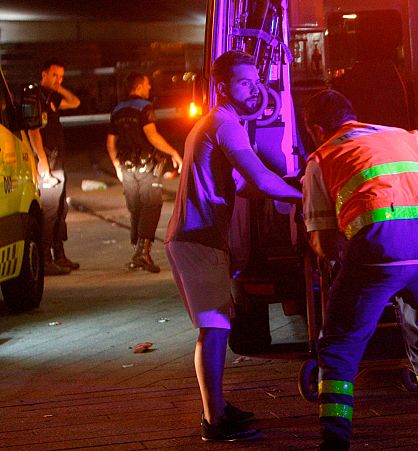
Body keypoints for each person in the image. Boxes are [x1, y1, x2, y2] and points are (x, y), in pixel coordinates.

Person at [302, 89, 418, 451]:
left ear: (317, 128)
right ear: (352, 113)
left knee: (339, 346)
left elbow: (323, 243)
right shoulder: (406, 139)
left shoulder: (322, 156)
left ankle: (334, 442)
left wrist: (342, 269)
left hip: (378, 248)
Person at [164, 50, 302, 442]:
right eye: (245, 82)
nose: (256, 87)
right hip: (197, 238)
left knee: (216, 326)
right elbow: (258, 180)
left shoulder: (217, 122)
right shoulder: (225, 123)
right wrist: (301, 194)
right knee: (215, 328)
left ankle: (218, 407)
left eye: (257, 79)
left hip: (198, 237)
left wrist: (284, 185)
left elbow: (241, 186)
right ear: (223, 87)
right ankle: (214, 422)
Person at [107, 72, 183, 273]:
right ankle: (143, 253)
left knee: (136, 208)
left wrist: (116, 167)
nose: (149, 88)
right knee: (151, 206)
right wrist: (174, 152)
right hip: (146, 167)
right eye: (148, 85)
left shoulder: (117, 109)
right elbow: (152, 136)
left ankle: (137, 252)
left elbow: (110, 143)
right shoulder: (144, 108)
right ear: (139, 86)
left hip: (127, 167)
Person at [28, 60, 81, 276]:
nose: (58, 80)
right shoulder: (36, 97)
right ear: (44, 74)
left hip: (57, 159)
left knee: (61, 208)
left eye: (61, 76)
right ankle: (45, 259)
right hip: (47, 160)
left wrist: (58, 87)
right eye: (54, 76)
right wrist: (42, 161)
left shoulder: (52, 97)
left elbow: (75, 102)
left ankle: (59, 254)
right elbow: (33, 131)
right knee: (49, 211)